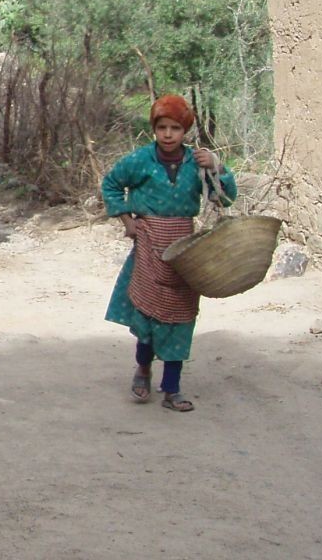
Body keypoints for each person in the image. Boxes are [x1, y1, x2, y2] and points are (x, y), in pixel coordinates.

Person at [101, 94, 236, 412]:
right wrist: (128, 221)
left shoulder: (196, 162)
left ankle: (172, 390)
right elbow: (111, 184)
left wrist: (217, 167)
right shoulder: (140, 160)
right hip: (148, 245)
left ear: (185, 130)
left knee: (180, 317)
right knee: (147, 315)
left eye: (175, 128)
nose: (168, 134)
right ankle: (143, 369)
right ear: (154, 128)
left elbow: (225, 198)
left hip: (184, 251)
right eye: (162, 127)